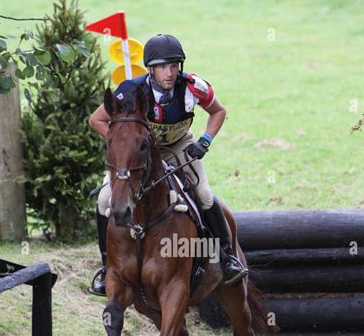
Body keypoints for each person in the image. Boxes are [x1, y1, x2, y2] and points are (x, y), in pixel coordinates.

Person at [88, 33, 248, 295]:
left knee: (205, 195)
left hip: (178, 146)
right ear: (151, 69)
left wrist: (205, 141)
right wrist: (121, 143)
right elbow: (96, 120)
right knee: (105, 199)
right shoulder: (129, 91)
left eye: (174, 66)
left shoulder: (194, 86)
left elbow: (219, 111)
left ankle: (227, 257)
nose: (170, 73)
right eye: (163, 67)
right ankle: (107, 268)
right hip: (139, 154)